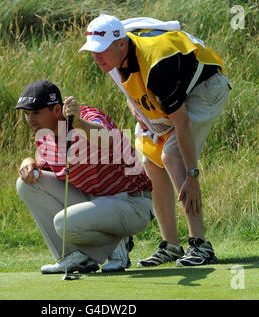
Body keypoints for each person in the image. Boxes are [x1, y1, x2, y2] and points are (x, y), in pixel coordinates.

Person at [79, 14, 231, 267]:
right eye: (92, 51)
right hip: (178, 90)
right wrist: (142, 114)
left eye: (100, 51)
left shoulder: (158, 66)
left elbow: (181, 123)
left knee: (172, 156)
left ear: (121, 44)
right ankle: (171, 246)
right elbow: (128, 89)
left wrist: (192, 176)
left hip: (206, 87)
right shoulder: (113, 56)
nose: (96, 58)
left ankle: (201, 245)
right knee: (150, 159)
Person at [15, 80, 153, 274]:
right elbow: (42, 171)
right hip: (96, 203)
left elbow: (107, 139)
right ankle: (75, 257)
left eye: (36, 113)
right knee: (26, 184)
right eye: (26, 114)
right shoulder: (44, 137)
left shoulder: (87, 116)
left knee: (63, 222)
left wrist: (78, 123)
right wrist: (28, 162)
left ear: (56, 110)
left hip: (132, 202)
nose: (30, 121)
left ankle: (116, 244)